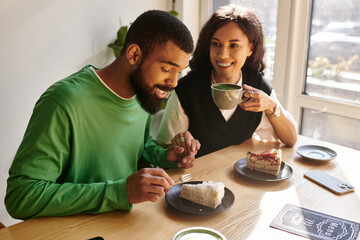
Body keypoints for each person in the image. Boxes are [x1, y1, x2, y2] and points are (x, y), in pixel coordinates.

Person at [5, 10, 200, 220]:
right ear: (134, 55)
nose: (174, 82)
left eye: (178, 71)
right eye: (166, 69)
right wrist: (119, 192)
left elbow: (140, 146)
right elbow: (21, 196)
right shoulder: (63, 102)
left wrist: (166, 156)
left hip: (123, 223)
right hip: (74, 229)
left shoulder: (142, 93)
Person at [155, 4, 297, 157]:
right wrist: (180, 149)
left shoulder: (258, 88)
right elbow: (164, 150)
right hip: (197, 177)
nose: (222, 55)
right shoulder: (186, 90)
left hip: (238, 177)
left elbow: (291, 139)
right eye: (216, 44)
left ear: (250, 48)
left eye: (234, 45)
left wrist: (270, 105)